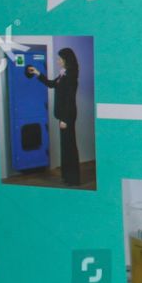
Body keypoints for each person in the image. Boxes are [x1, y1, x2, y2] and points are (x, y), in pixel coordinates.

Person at [29, 48, 82, 187]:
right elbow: (52, 84)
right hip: (64, 115)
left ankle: (73, 179)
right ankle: (67, 177)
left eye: (60, 58)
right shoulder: (63, 74)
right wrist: (37, 73)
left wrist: (65, 119)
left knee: (69, 147)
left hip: (68, 116)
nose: (58, 60)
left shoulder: (70, 75)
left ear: (66, 59)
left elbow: (69, 99)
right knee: (65, 147)